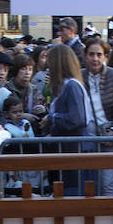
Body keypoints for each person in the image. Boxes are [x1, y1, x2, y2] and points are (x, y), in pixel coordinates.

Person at [40, 44, 89, 194]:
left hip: (73, 153)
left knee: (72, 194)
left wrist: (51, 118)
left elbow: (77, 119)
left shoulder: (72, 86)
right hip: (67, 152)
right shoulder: (67, 86)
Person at [81, 38, 113, 193]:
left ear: (105, 56)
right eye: (91, 54)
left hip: (109, 136)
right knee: (89, 184)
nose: (95, 58)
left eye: (99, 54)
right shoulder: (79, 77)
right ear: (85, 56)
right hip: (87, 139)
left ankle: (108, 216)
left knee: (107, 183)